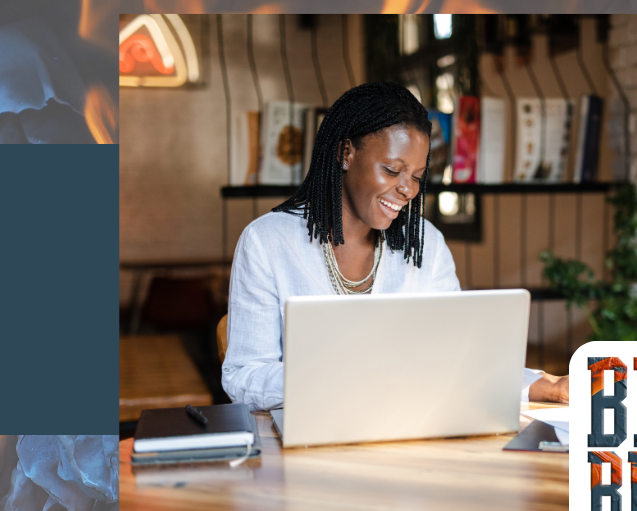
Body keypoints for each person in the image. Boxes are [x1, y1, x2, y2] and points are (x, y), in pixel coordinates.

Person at [222, 81, 569, 411]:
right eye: (392, 170)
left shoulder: (426, 243)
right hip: (312, 438)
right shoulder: (267, 242)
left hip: (410, 427)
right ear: (346, 153)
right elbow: (244, 377)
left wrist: (545, 387)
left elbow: (459, 357)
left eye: (417, 176)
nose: (409, 190)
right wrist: (350, 377)